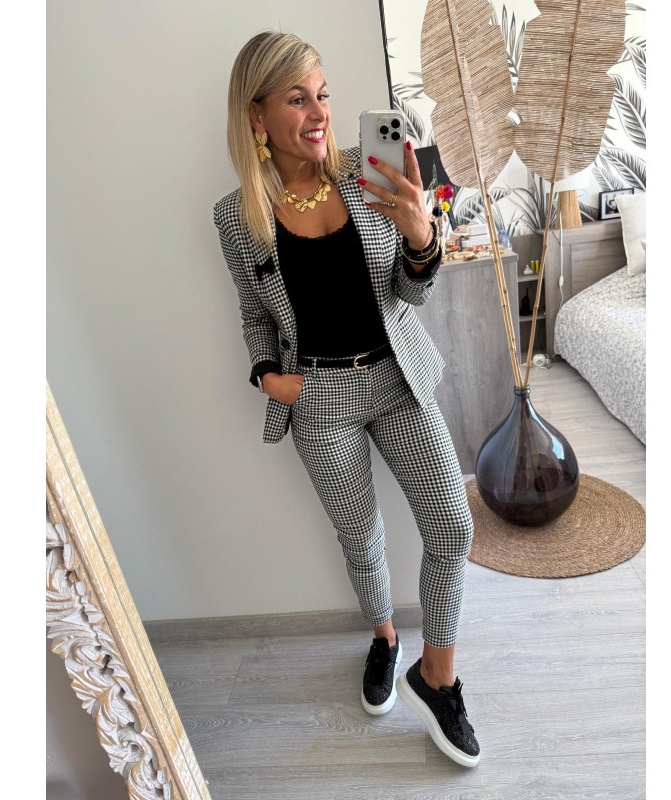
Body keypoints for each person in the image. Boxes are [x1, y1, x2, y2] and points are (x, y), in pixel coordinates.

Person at [213, 31, 479, 768]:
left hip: (396, 376)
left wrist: (421, 236)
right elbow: (253, 311)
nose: (319, 112)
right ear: (257, 115)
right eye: (297, 98)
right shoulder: (237, 215)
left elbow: (410, 294)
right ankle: (385, 637)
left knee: (452, 526)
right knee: (360, 536)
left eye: (323, 94)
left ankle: (437, 676)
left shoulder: (371, 171)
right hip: (319, 392)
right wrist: (269, 376)